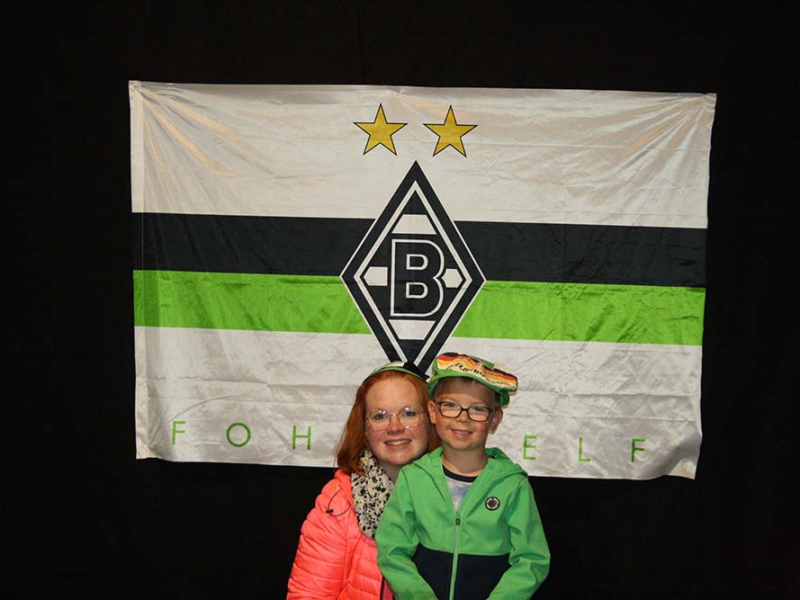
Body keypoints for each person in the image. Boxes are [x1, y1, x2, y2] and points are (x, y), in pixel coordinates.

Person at [376, 352, 550, 599]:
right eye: (450, 406)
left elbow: (532, 559)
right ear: (433, 412)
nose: (463, 418)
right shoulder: (413, 479)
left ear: (494, 419)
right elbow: (392, 551)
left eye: (478, 409)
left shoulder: (512, 485)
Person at [287, 361, 438, 599]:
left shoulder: (460, 493)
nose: (395, 427)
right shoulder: (338, 502)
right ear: (365, 429)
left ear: (431, 420)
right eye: (380, 416)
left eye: (409, 413)